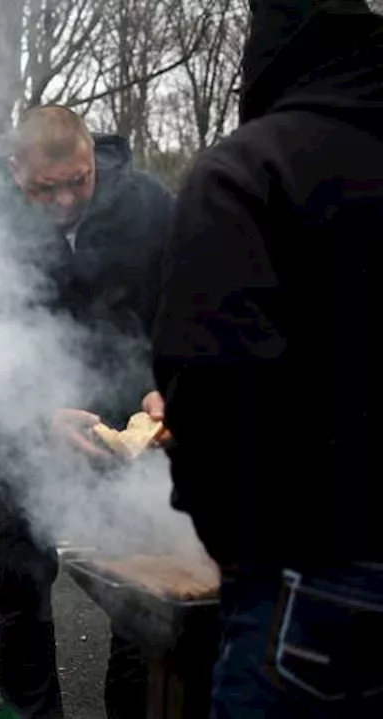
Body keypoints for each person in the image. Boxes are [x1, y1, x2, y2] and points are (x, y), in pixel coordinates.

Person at [153, 1, 383, 716]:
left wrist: (236, 549)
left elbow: (214, 389)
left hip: (311, 581)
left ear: (270, 55)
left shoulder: (249, 170)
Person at [0, 106, 173, 718]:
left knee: (141, 589)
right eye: (45, 188)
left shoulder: (150, 208)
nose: (63, 200)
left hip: (123, 423)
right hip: (17, 423)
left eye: (77, 182)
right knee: (20, 587)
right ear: (15, 173)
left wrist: (169, 387)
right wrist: (36, 415)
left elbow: (185, 310)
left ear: (92, 160)